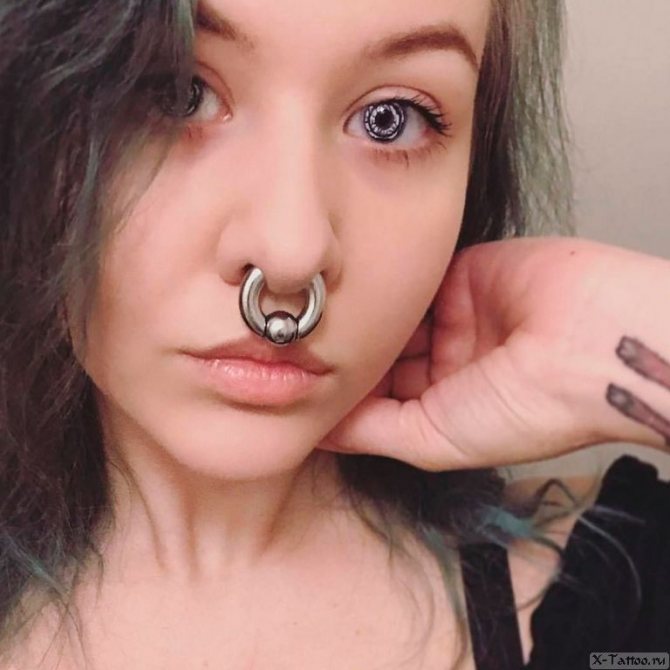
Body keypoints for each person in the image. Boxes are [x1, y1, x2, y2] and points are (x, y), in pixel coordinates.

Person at [0, 0, 668, 668]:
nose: (291, 254)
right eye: (179, 93)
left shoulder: (618, 596)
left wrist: (627, 326)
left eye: (390, 119)